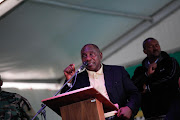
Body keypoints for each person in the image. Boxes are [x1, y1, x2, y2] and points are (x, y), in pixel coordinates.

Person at [61, 44, 141, 120]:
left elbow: (134, 93)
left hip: (118, 117)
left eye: (91, 54)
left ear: (100, 55)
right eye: (84, 56)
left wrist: (129, 108)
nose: (88, 58)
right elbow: (65, 103)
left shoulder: (117, 71)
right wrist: (69, 80)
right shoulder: (77, 79)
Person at [132, 38, 180, 120]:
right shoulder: (140, 70)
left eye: (157, 45)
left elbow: (171, 80)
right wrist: (146, 74)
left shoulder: (170, 62)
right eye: (151, 46)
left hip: (171, 112)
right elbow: (133, 86)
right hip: (150, 115)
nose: (155, 48)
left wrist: (148, 87)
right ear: (145, 51)